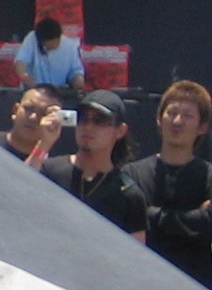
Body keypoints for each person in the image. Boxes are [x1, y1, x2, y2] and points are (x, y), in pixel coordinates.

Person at [127, 80, 212, 288]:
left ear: (202, 127)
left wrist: (152, 214)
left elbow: (210, 224)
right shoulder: (132, 173)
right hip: (143, 285)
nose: (177, 121)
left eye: (188, 116)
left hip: (195, 288)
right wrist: (190, 219)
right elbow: (130, 220)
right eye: (171, 113)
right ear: (159, 118)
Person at [41, 89, 147, 238]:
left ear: (120, 131)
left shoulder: (127, 194)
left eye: (100, 120)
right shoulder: (50, 171)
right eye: (82, 118)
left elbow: (135, 256)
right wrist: (44, 144)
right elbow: (16, 193)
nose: (88, 126)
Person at [0, 85, 66, 166]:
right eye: (28, 108)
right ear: (15, 110)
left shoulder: (56, 166)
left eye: (44, 113)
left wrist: (44, 144)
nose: (33, 117)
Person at [13, 15, 84, 92]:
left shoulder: (70, 46)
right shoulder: (32, 38)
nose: (53, 45)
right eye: (49, 43)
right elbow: (20, 61)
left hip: (58, 94)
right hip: (34, 92)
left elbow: (75, 71)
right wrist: (24, 76)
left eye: (55, 41)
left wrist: (78, 80)